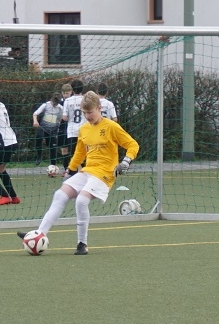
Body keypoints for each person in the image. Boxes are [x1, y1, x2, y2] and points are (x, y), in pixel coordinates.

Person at [18, 91, 139, 255]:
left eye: (90, 112)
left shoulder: (111, 126)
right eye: (84, 113)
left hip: (105, 174)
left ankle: (82, 244)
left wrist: (125, 162)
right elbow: (80, 153)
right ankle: (39, 234)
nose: (87, 116)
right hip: (88, 171)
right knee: (60, 195)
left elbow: (133, 144)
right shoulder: (84, 129)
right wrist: (70, 171)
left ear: (99, 108)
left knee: (81, 201)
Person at [32, 92, 62, 166]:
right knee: (38, 136)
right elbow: (35, 114)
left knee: (53, 147)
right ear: (51, 99)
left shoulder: (60, 108)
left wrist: (58, 125)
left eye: (57, 103)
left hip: (53, 130)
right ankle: (39, 155)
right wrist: (35, 121)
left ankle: (53, 165)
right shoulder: (45, 105)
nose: (55, 104)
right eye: (54, 102)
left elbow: (61, 118)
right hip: (43, 128)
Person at [60, 80, 84, 170]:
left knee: (74, 154)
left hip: (72, 131)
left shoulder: (68, 101)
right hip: (84, 130)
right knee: (84, 153)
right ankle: (86, 172)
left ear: (72, 90)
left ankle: (73, 172)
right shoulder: (85, 99)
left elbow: (65, 117)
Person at [57, 82, 73, 169]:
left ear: (71, 92)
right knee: (64, 150)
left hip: (72, 128)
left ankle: (74, 169)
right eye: (64, 93)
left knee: (74, 150)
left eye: (67, 93)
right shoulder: (59, 104)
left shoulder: (73, 103)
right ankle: (66, 169)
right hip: (62, 129)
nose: (65, 95)